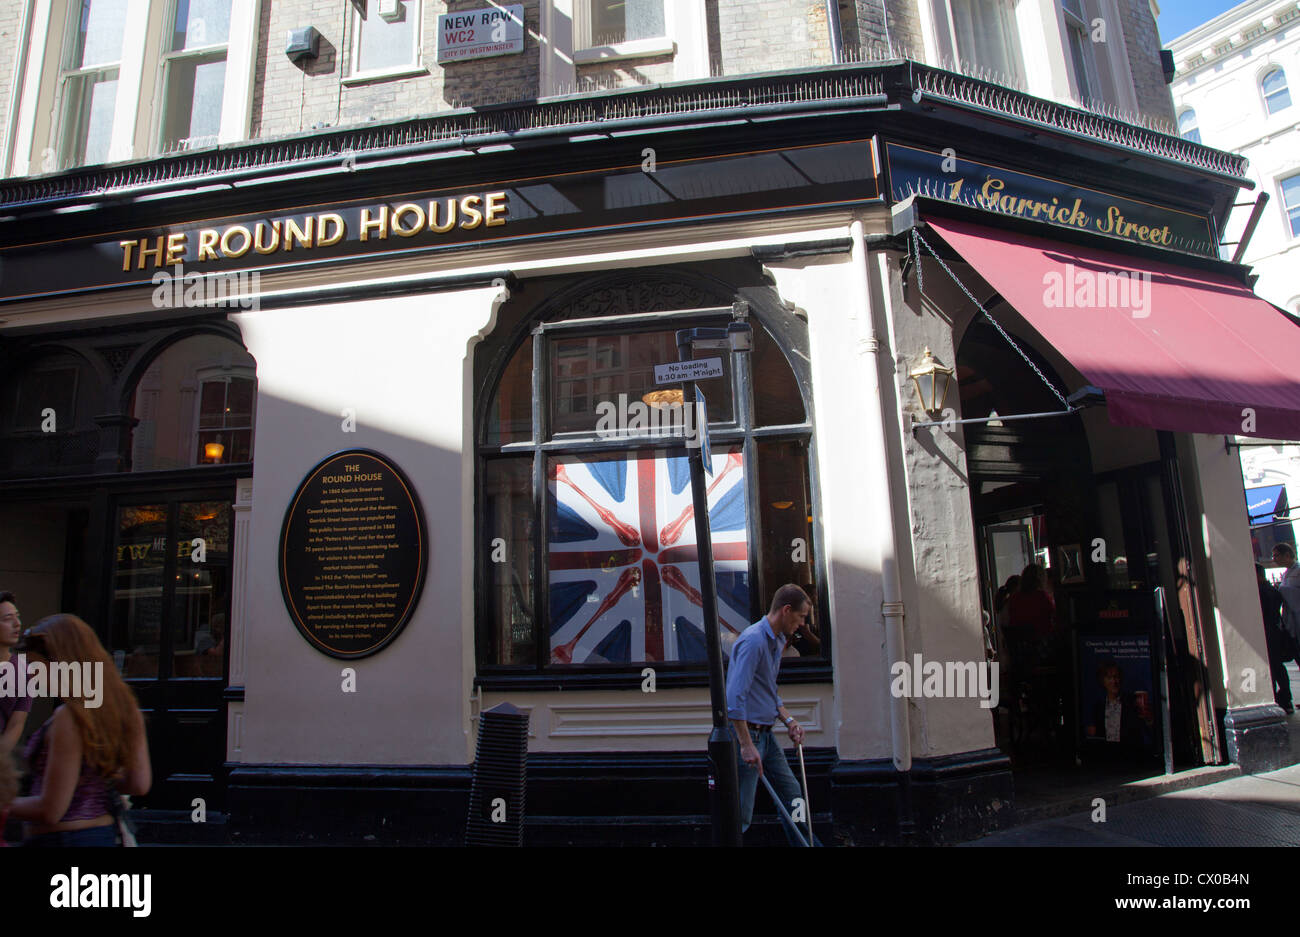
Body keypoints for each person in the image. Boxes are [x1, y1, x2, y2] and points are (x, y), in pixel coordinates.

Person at [8, 614, 151, 846]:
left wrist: (4, 803)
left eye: (34, 665)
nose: (30, 675)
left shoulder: (69, 717)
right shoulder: (125, 709)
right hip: (102, 835)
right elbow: (138, 784)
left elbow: (50, 810)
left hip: (62, 839)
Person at [726, 583, 812, 844]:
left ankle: (803, 843)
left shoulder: (776, 641)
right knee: (741, 811)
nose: (802, 625)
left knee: (793, 795)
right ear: (786, 610)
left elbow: (767, 690)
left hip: (766, 734)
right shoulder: (753, 641)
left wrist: (789, 720)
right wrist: (745, 745)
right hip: (748, 734)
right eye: (801, 617)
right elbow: (734, 697)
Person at [1257, 563, 1294, 714]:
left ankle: (1274, 699)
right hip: (1276, 632)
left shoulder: (1259, 591)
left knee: (1271, 668)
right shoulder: (1273, 590)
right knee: (1278, 668)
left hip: (1266, 633)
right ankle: (1286, 700)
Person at [0, 591, 31, 754]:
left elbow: (16, 724)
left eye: (17, 616)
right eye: (7, 619)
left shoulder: (23, 670)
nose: (17, 623)